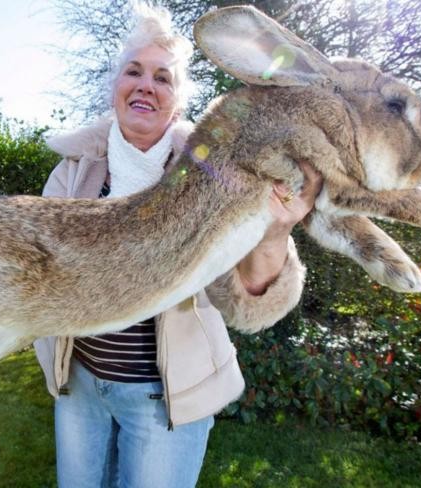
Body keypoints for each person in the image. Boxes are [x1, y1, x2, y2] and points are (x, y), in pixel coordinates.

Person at [34, 4, 322, 487]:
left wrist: (274, 232)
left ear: (177, 102)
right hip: (80, 388)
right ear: (116, 88)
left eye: (162, 78)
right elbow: (41, 272)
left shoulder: (216, 176)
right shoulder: (72, 173)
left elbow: (247, 297)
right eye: (134, 72)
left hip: (166, 399)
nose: (146, 84)